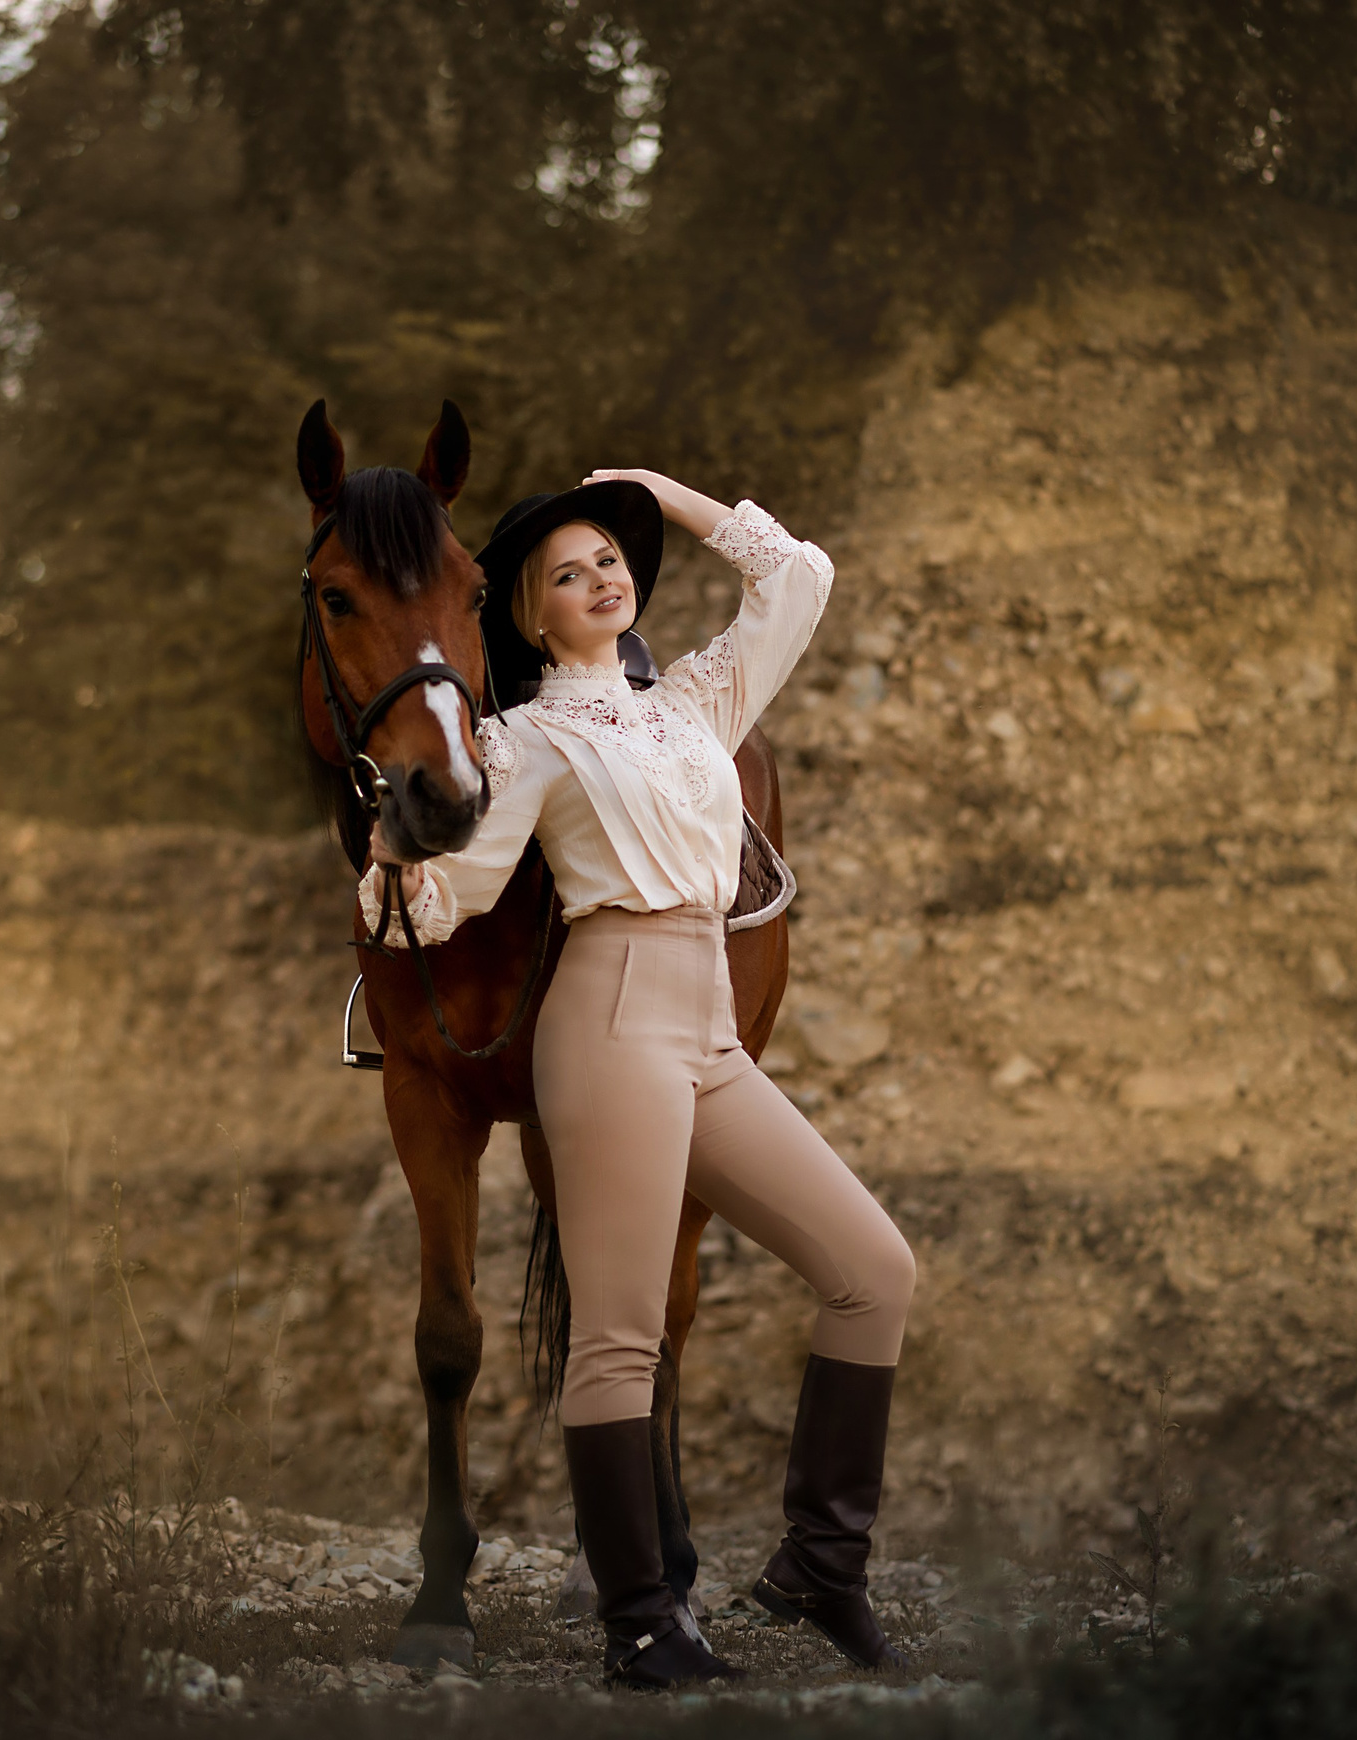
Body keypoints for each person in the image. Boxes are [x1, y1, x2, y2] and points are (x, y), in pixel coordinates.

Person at [362, 469, 918, 1689]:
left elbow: (799, 578)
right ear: (531, 615)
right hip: (610, 1020)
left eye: (609, 559)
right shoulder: (522, 741)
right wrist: (399, 867)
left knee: (872, 1271)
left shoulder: (695, 703)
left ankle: (820, 1566)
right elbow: (455, 892)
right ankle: (642, 1626)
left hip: (707, 1024)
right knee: (617, 1340)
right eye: (568, 574)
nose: (601, 579)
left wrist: (658, 495)